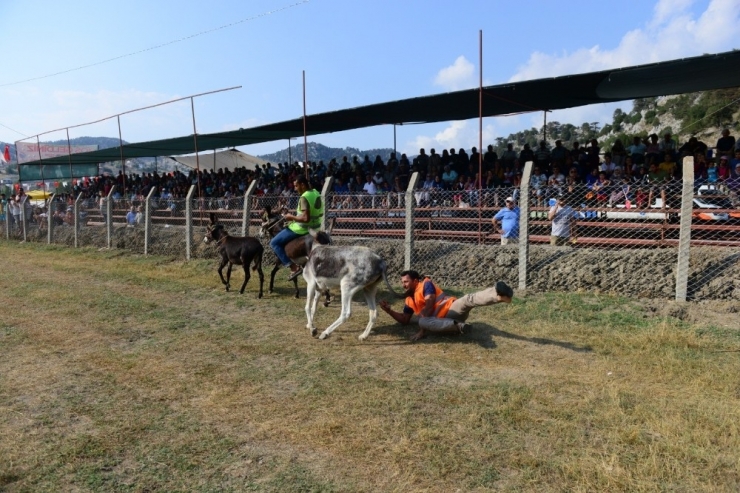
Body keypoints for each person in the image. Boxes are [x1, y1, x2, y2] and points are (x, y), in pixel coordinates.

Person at [378, 270, 513, 342]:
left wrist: (422, 330)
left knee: (467, 299)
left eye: (406, 282)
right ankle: (459, 327)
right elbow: (404, 320)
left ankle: (499, 295)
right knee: (423, 321)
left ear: (415, 281)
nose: (403, 285)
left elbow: (430, 301)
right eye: (402, 282)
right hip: (442, 323)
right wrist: (389, 311)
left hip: (451, 309)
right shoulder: (409, 300)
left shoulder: (426, 283)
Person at [269, 175, 324, 281]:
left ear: (302, 185)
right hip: (316, 227)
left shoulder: (304, 197)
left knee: (274, 243)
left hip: (302, 229)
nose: (295, 188)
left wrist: (291, 217)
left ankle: (293, 268)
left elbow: (305, 218)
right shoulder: (315, 193)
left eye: (296, 186)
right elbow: (318, 213)